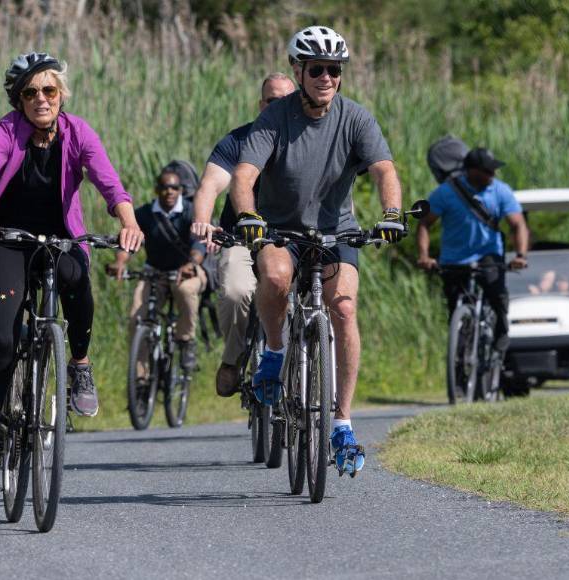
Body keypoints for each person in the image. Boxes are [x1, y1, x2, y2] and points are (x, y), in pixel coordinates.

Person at [0, 53, 143, 490]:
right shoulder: (7, 130)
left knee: (79, 281)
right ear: (18, 99)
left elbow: (108, 182)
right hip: (7, 238)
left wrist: (128, 221)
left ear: (61, 94)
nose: (41, 99)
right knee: (3, 341)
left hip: (60, 238)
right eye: (30, 92)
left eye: (49, 90)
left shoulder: (77, 132)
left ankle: (79, 362)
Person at [229, 26, 406, 477]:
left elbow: (384, 169)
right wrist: (248, 215)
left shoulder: (355, 119)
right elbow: (244, 174)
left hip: (336, 232)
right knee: (273, 277)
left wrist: (391, 214)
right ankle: (273, 352)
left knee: (343, 309)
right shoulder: (275, 118)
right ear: (299, 71)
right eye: (317, 69)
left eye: (334, 70)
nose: (326, 77)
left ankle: (342, 422)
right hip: (281, 229)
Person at [191, 72, 295, 397]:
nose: (277, 106)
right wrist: (202, 220)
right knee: (236, 291)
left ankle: (310, 374)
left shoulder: (304, 141)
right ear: (260, 104)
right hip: (242, 239)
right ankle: (234, 359)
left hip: (293, 239)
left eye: (285, 100)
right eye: (270, 100)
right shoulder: (238, 141)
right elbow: (211, 183)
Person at [417, 147, 528, 350]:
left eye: (493, 170)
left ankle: (501, 330)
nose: (492, 174)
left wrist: (520, 255)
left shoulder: (501, 191)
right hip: (454, 259)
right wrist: (424, 256)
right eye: (487, 170)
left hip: (488, 255)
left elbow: (517, 225)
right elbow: (424, 223)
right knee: (455, 307)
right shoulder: (446, 192)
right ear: (471, 170)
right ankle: (460, 357)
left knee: (496, 293)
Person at [110, 168, 207, 371]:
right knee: (137, 319)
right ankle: (140, 382)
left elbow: (200, 243)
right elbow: (129, 243)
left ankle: (186, 341)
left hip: (186, 271)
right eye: (164, 187)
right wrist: (120, 262)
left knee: (186, 291)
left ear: (181, 190)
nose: (169, 191)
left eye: (174, 187)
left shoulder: (191, 211)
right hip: (154, 272)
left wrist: (192, 264)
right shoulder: (145, 214)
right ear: (157, 190)